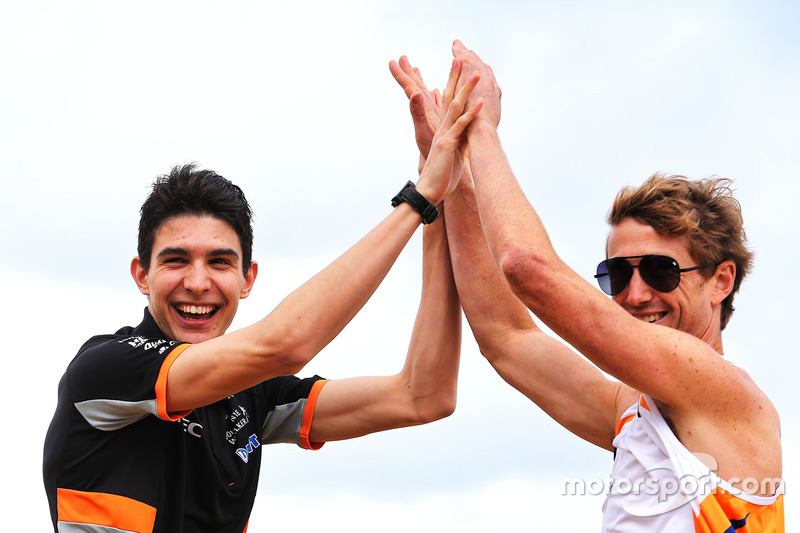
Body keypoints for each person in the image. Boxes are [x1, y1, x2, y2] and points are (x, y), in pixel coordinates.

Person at [43, 61, 484, 533]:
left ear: (248, 279)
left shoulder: (254, 394)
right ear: (141, 276)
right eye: (175, 260)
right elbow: (286, 344)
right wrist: (418, 198)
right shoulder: (105, 367)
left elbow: (423, 396)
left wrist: (444, 193)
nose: (197, 283)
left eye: (219, 262)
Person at [391, 41, 783, 531]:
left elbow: (526, 267)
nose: (635, 295)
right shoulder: (634, 410)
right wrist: (448, 170)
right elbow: (508, 339)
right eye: (618, 274)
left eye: (660, 271)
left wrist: (482, 129)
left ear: (720, 280)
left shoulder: (723, 391)